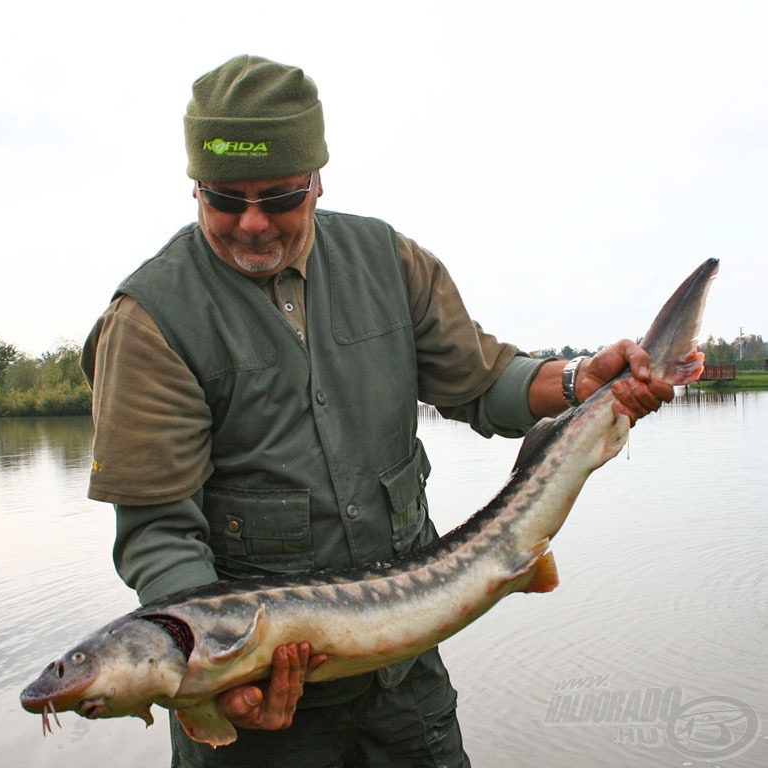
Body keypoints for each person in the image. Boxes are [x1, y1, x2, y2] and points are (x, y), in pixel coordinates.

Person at [80, 55, 674, 768]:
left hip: (405, 689)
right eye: (224, 200)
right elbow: (157, 530)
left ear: (318, 179)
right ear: (195, 188)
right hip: (261, 722)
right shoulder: (150, 318)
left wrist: (582, 379)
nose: (252, 224)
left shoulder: (387, 260)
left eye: (280, 197)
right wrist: (215, 675)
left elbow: (485, 382)